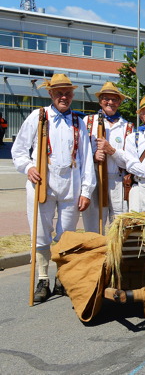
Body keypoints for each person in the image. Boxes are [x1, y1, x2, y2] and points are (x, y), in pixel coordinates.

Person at [12, 74, 95, 302]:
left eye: (67, 93)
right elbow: (18, 150)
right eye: (59, 93)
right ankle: (42, 279)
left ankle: (62, 277)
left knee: (66, 235)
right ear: (50, 94)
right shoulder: (38, 117)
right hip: (42, 185)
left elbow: (87, 158)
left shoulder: (79, 122)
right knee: (40, 233)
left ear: (73, 95)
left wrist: (87, 190)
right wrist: (28, 167)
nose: (64, 97)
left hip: (71, 185)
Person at [83, 81, 133, 231]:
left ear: (119, 102)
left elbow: (130, 160)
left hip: (118, 181)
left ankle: (115, 254)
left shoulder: (127, 127)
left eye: (114, 99)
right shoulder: (88, 122)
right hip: (94, 179)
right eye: (106, 98)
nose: (110, 102)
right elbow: (79, 152)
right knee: (94, 225)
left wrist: (111, 150)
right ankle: (96, 253)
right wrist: (93, 156)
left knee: (119, 227)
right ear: (100, 101)